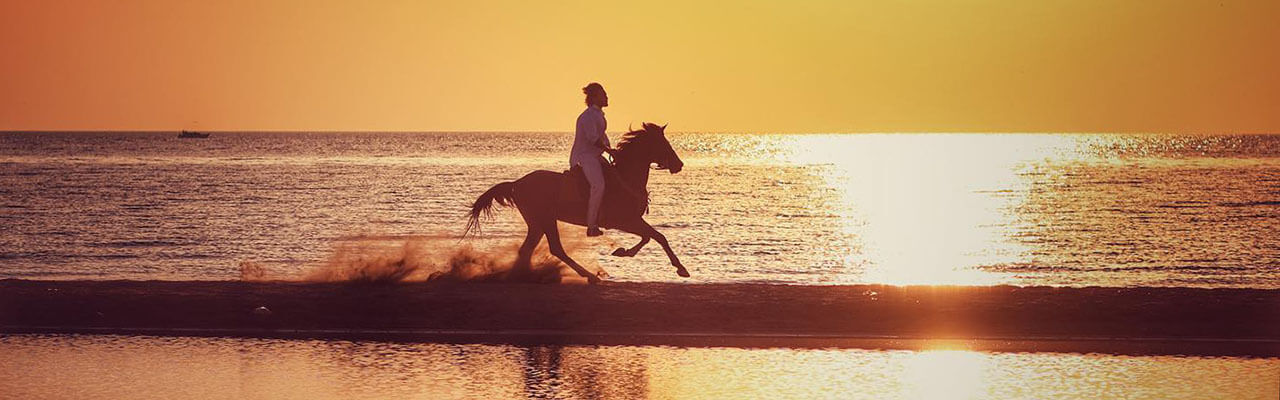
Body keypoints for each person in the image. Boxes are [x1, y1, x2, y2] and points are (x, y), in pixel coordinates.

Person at [571, 82, 616, 237]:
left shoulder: (598, 115)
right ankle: (591, 226)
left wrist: (612, 150)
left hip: (595, 156)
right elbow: (593, 138)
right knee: (598, 185)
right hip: (584, 157)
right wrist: (608, 150)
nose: (606, 96)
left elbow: (602, 136)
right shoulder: (588, 116)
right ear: (595, 97)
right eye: (603, 94)